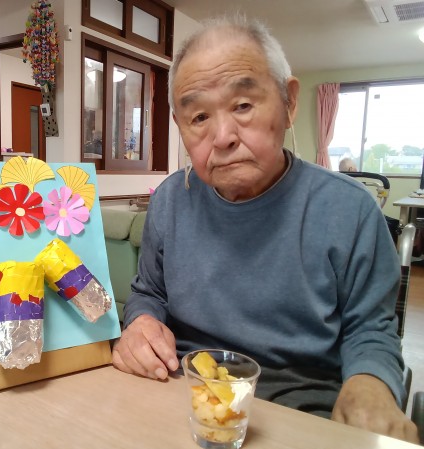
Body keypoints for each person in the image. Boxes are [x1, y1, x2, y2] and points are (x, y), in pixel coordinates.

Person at [111, 13, 419, 443]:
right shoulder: (169, 201)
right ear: (180, 126)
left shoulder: (349, 210)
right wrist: (141, 321)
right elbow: (149, 292)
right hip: (182, 395)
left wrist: (371, 383)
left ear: (289, 102)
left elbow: (370, 329)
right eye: (199, 117)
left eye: (243, 106)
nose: (222, 136)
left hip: (303, 410)